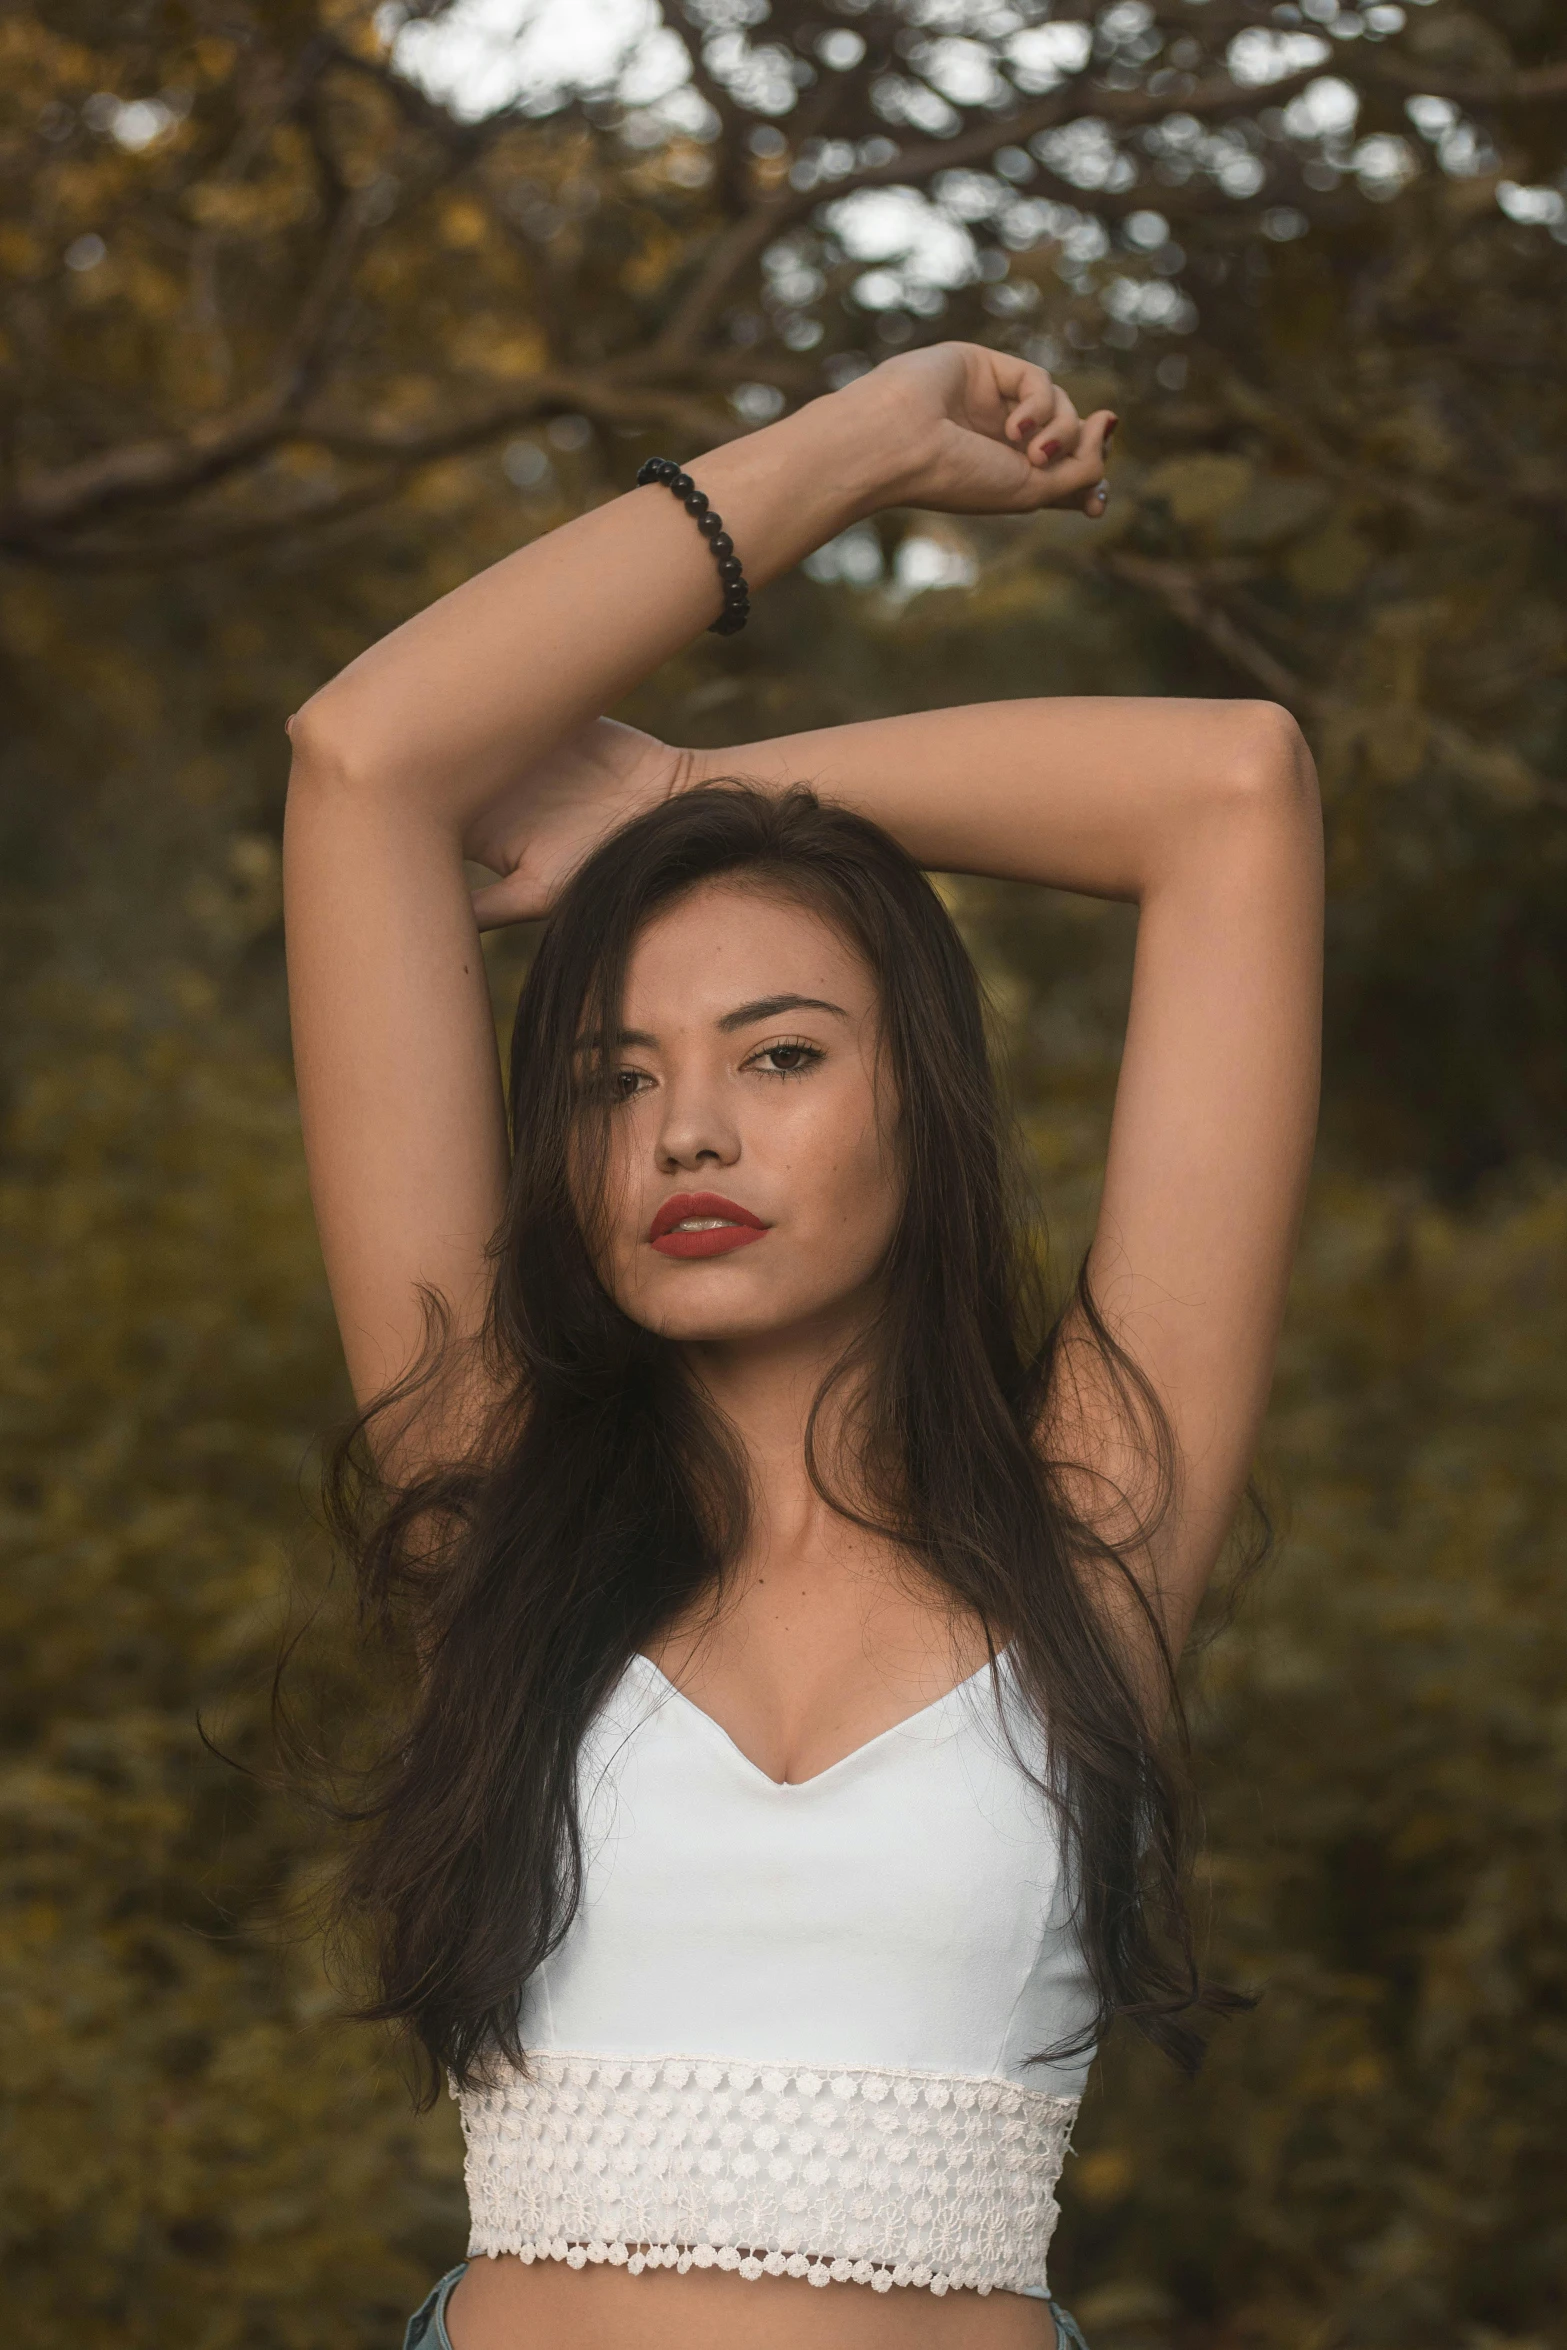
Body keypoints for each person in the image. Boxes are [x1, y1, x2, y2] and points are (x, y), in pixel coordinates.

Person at [282, 342, 1323, 2350]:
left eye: (778, 1054)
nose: (685, 1129)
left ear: (914, 1110)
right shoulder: (491, 1507)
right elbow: (363, 762)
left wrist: (693, 797)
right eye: (614, 1076)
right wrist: (854, 442)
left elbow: (1234, 789)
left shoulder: (1090, 1531)